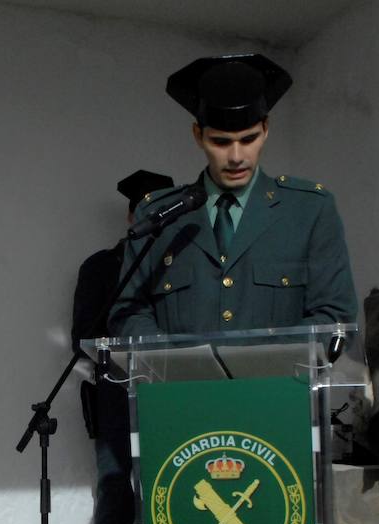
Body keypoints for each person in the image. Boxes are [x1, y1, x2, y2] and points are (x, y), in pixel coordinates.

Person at [110, 53, 357, 337]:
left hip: (279, 382)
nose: (236, 157)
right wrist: (178, 365)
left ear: (265, 130)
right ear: (198, 135)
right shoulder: (159, 216)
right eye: (221, 142)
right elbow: (127, 314)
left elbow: (335, 314)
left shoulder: (309, 210)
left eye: (248, 139)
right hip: (183, 382)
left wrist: (259, 365)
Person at [73, 169, 173, 524]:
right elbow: (82, 338)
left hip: (173, 399)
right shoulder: (101, 266)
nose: (150, 215)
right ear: (132, 215)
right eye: (144, 208)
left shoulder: (183, 264)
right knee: (115, 503)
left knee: (173, 501)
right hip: (116, 399)